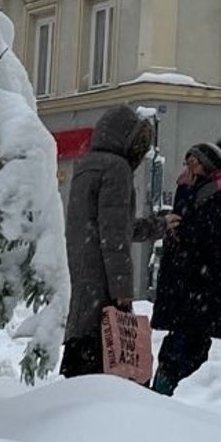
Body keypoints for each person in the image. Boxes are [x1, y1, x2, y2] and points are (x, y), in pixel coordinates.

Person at [59, 105, 160, 378]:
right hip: (104, 285)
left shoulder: (85, 166)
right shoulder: (116, 169)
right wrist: (122, 290)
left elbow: (108, 226)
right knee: (108, 363)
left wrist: (155, 226)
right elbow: (114, 235)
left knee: (81, 354)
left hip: (85, 279)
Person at [149, 138, 221, 395]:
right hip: (185, 286)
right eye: (187, 161)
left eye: (194, 162)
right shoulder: (189, 188)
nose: (188, 167)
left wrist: (183, 231)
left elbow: (210, 235)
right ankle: (166, 393)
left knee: (189, 346)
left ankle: (179, 398)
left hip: (202, 287)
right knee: (178, 344)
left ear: (208, 166)